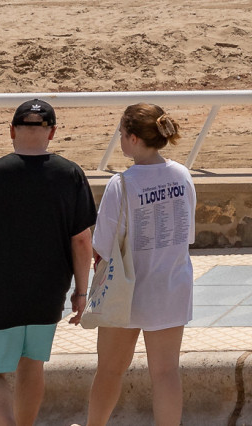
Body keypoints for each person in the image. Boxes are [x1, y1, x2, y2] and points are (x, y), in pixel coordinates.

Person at [0, 99, 95, 426]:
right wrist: (81, 292)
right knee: (31, 364)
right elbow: (82, 241)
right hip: (48, 292)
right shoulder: (70, 174)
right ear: (52, 132)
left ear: (12, 131)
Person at [81, 103, 194, 426]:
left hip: (126, 290)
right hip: (171, 285)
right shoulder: (182, 175)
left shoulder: (122, 184)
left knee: (110, 369)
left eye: (121, 133)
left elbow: (102, 246)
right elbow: (187, 232)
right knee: (166, 372)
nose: (120, 139)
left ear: (133, 138)